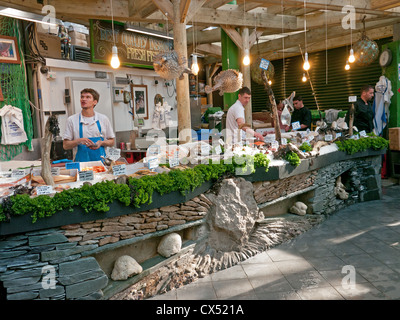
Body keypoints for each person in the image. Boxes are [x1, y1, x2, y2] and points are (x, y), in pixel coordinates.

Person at [63, 88, 115, 162]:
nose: (83, 99)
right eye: (82, 97)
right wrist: (78, 141)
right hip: (81, 165)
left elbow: (112, 141)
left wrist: (101, 143)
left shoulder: (103, 119)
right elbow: (65, 145)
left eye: (88, 97)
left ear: (95, 102)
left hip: (101, 164)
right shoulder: (71, 120)